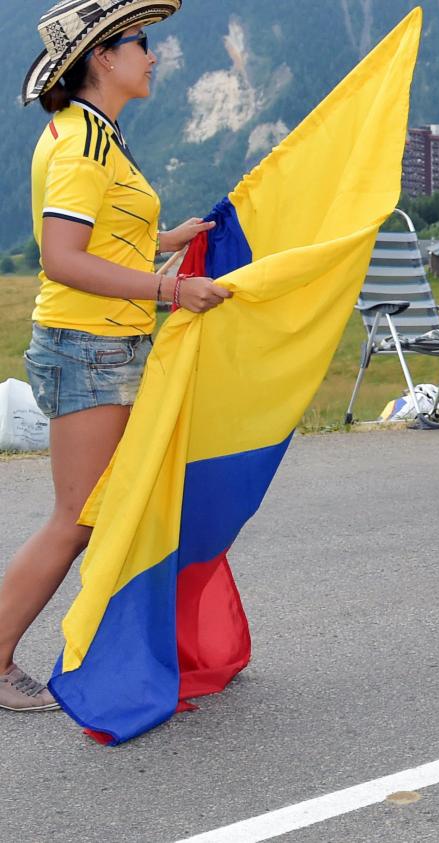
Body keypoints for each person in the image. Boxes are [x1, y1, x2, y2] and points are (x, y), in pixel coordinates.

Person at [2, 0, 229, 712]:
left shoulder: (99, 134)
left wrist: (168, 239)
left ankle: (135, 650)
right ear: (102, 56)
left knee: (112, 510)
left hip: (104, 343)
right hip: (87, 345)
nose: (153, 55)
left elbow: (104, 235)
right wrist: (169, 287)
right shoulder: (80, 146)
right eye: (141, 43)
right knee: (79, 518)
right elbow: (63, 258)